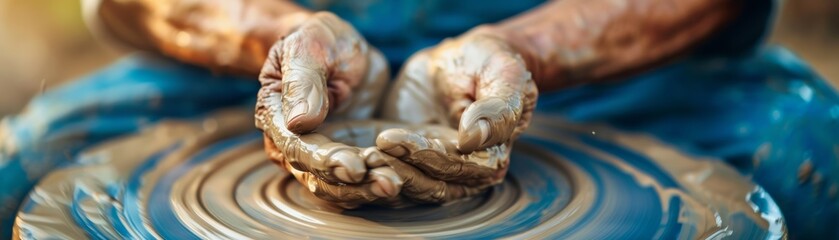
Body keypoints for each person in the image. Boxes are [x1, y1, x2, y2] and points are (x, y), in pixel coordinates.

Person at [0, 0, 836, 238]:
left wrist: (528, 51)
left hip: (591, 47)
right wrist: (280, 45)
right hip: (276, 40)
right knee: (24, 171)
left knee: (814, 161)